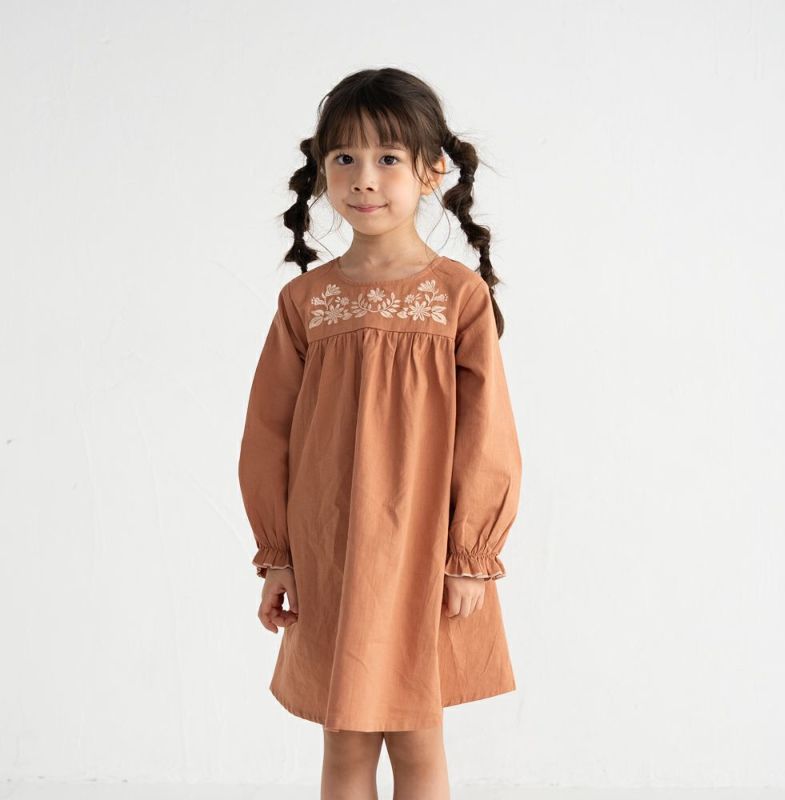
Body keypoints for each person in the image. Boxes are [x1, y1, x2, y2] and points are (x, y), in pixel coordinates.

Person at [238, 67, 523, 800]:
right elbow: (268, 433)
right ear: (321, 170)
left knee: (419, 740)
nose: (364, 178)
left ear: (432, 172)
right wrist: (278, 554)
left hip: (424, 554)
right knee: (345, 742)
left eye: (388, 157)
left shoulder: (457, 296)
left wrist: (470, 556)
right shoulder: (306, 301)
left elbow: (487, 435)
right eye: (345, 157)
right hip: (331, 551)